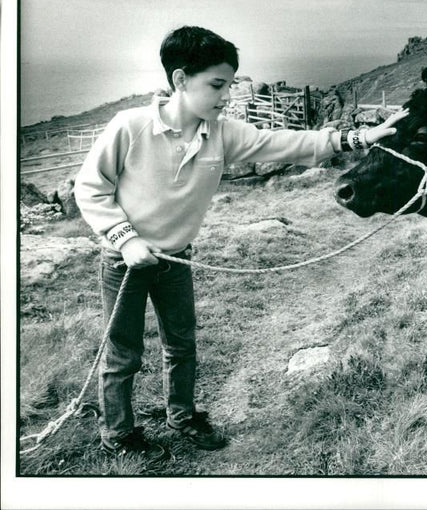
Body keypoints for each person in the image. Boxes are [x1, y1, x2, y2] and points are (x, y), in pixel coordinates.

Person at [74, 25, 408, 464]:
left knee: (182, 344)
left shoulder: (223, 133)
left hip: (177, 260)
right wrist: (125, 239)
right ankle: (118, 434)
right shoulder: (130, 126)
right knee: (124, 353)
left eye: (229, 84)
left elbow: (284, 143)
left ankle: (183, 416)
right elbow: (90, 188)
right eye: (217, 85)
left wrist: (358, 138)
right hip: (124, 264)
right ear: (179, 80)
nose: (226, 95)